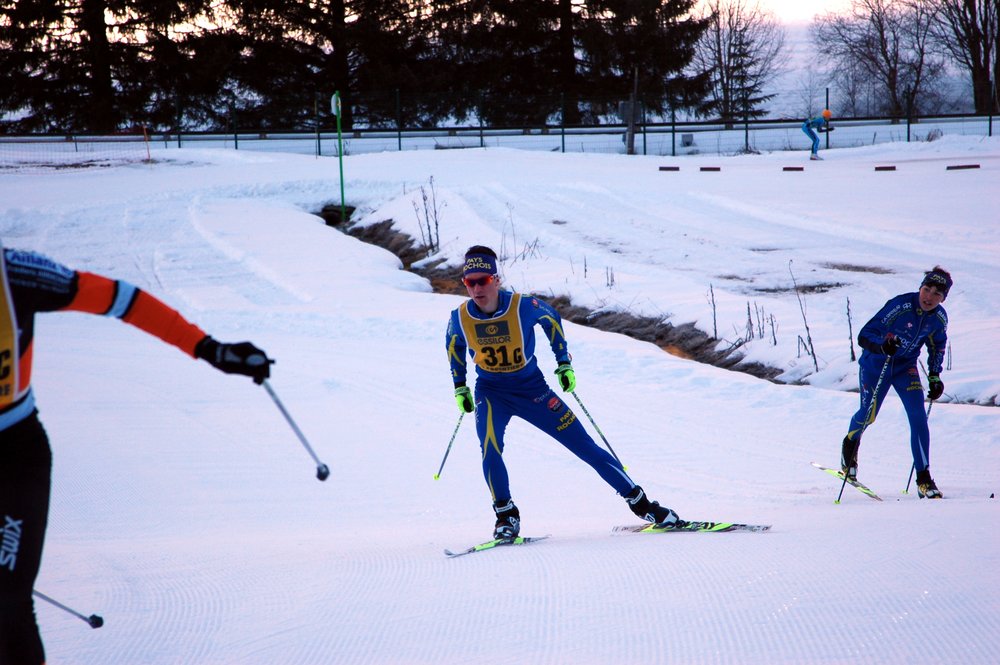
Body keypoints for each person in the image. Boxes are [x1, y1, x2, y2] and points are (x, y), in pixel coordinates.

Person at [0, 244, 272, 664]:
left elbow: (123, 300)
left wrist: (208, 348)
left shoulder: (16, 274)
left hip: (14, 453)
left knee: (7, 605)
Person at [445, 245, 679, 540]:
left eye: (484, 281)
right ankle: (506, 516)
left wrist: (564, 363)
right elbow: (454, 347)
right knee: (490, 447)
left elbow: (552, 319)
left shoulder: (522, 306)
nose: (477, 288)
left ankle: (643, 504)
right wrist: (460, 387)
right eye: (470, 282)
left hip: (533, 390)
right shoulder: (460, 317)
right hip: (491, 392)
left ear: (496, 279)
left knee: (585, 447)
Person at [840, 267, 952, 499]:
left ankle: (924, 479)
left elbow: (937, 346)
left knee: (918, 418)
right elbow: (864, 334)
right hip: (876, 364)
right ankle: (850, 444)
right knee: (868, 414)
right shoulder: (900, 306)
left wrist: (934, 375)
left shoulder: (939, 318)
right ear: (920, 287)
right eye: (926, 289)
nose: (929, 297)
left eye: (936, 294)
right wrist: (882, 345)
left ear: (943, 298)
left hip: (905, 368)